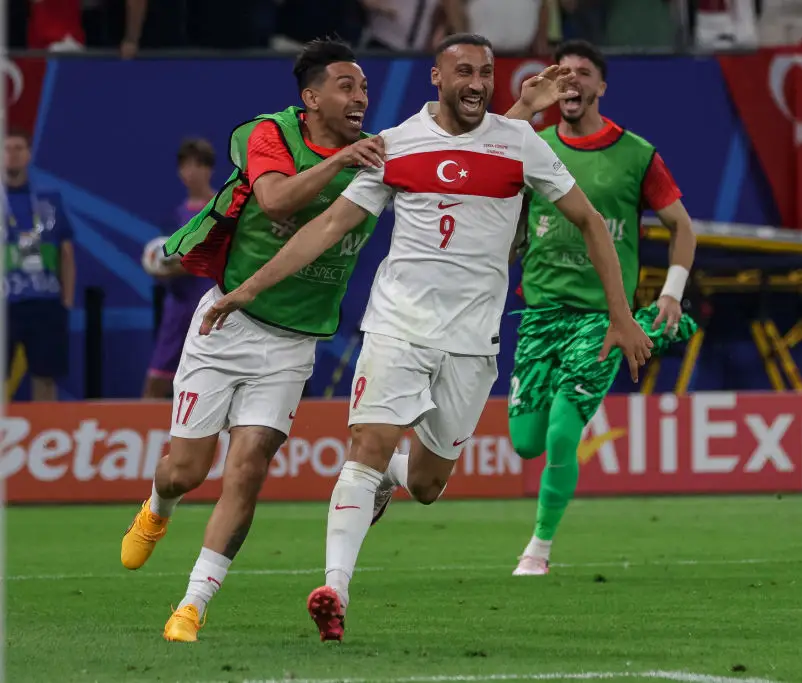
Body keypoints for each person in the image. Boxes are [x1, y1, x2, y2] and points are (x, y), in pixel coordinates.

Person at [119, 36, 575, 643]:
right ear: (311, 98)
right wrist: (338, 165)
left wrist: (524, 113)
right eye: (346, 87)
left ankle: (193, 604)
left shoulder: (382, 151)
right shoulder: (272, 136)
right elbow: (278, 198)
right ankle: (160, 504)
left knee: (250, 464)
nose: (360, 97)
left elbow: (460, 152)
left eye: (363, 87)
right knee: (185, 469)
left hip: (294, 340)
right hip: (230, 322)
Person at [203, 32, 653, 643]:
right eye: (463, 71)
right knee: (366, 444)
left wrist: (622, 316)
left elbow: (591, 222)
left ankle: (395, 473)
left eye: (486, 73)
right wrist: (246, 290)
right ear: (435, 79)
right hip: (398, 327)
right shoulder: (393, 146)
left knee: (427, 485)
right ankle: (334, 588)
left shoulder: (519, 143)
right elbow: (331, 225)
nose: (476, 82)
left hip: (471, 343)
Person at [507, 40, 698, 577]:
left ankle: (537, 550)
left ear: (601, 87)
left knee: (565, 432)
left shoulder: (636, 153)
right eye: (562, 74)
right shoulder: (532, 147)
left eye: (582, 74)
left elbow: (682, 227)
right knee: (526, 444)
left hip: (601, 317)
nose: (571, 82)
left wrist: (671, 292)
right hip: (540, 315)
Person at [3, 128, 75, 402]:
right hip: (4, 304)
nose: (12, 154)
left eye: (19, 148)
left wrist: (65, 301)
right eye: (7, 148)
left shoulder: (48, 201)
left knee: (45, 378)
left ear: (28, 155)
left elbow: (66, 254)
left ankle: (47, 439)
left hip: (45, 303)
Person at [143, 139, 217, 399]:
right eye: (185, 166)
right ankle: (144, 436)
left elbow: (211, 257)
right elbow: (163, 259)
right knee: (157, 382)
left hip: (213, 308)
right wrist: (158, 269)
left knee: (211, 381)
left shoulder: (221, 209)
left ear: (209, 169)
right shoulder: (174, 216)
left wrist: (183, 265)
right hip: (178, 308)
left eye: (197, 165)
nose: (190, 172)